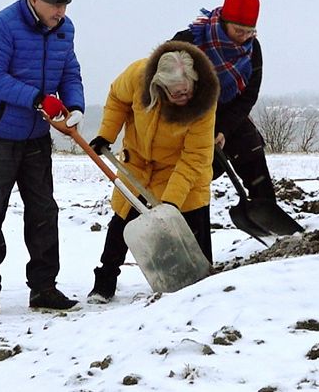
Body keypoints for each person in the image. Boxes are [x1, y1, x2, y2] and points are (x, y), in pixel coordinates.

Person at [0, 0, 85, 314]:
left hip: (37, 136)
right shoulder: (2, 26)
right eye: (54, 5)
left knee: (43, 210)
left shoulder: (65, 30)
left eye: (65, 5)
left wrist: (75, 104)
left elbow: (70, 71)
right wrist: (37, 98)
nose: (60, 13)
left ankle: (43, 287)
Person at [86, 41, 220, 303]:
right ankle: (105, 282)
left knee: (190, 232)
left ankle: (200, 289)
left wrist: (170, 203)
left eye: (186, 90)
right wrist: (106, 134)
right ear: (159, 86)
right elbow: (117, 98)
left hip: (182, 172)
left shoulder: (203, 103)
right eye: (175, 93)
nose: (183, 96)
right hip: (139, 165)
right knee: (123, 223)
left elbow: (194, 158)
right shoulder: (138, 75)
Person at [171, 0, 304, 236]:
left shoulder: (252, 50)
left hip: (230, 114)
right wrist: (203, 127)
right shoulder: (189, 42)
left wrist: (223, 128)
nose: (243, 37)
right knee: (196, 178)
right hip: (190, 119)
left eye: (249, 31)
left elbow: (248, 96)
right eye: (238, 31)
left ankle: (272, 226)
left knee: (251, 150)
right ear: (224, 22)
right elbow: (166, 86)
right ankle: (187, 229)